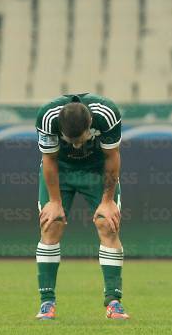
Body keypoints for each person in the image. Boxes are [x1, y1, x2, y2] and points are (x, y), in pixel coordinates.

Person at [34, 93, 129, 320]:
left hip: (97, 170)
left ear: (90, 124)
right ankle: (47, 303)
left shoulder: (107, 114)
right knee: (51, 224)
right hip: (61, 170)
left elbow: (112, 157)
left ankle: (113, 302)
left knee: (108, 224)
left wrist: (107, 201)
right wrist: (55, 202)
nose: (76, 144)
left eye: (81, 137)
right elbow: (49, 160)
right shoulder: (47, 117)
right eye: (70, 139)